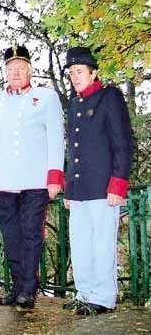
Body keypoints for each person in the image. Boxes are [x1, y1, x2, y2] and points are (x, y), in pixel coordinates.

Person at [0, 45, 65, 309]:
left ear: (29, 70)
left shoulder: (47, 97)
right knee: (11, 236)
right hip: (5, 181)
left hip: (35, 180)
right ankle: (17, 287)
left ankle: (30, 287)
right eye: (10, 69)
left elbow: (55, 138)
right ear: (5, 72)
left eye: (20, 68)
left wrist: (54, 177)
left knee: (31, 234)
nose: (15, 73)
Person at [62, 47, 133, 315]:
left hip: (104, 187)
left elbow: (123, 143)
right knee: (80, 243)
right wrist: (69, 187)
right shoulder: (75, 104)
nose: (75, 77)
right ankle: (84, 292)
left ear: (93, 72)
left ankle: (103, 297)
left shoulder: (109, 97)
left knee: (102, 243)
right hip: (79, 188)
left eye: (79, 72)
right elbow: (74, 149)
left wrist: (118, 182)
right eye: (71, 74)